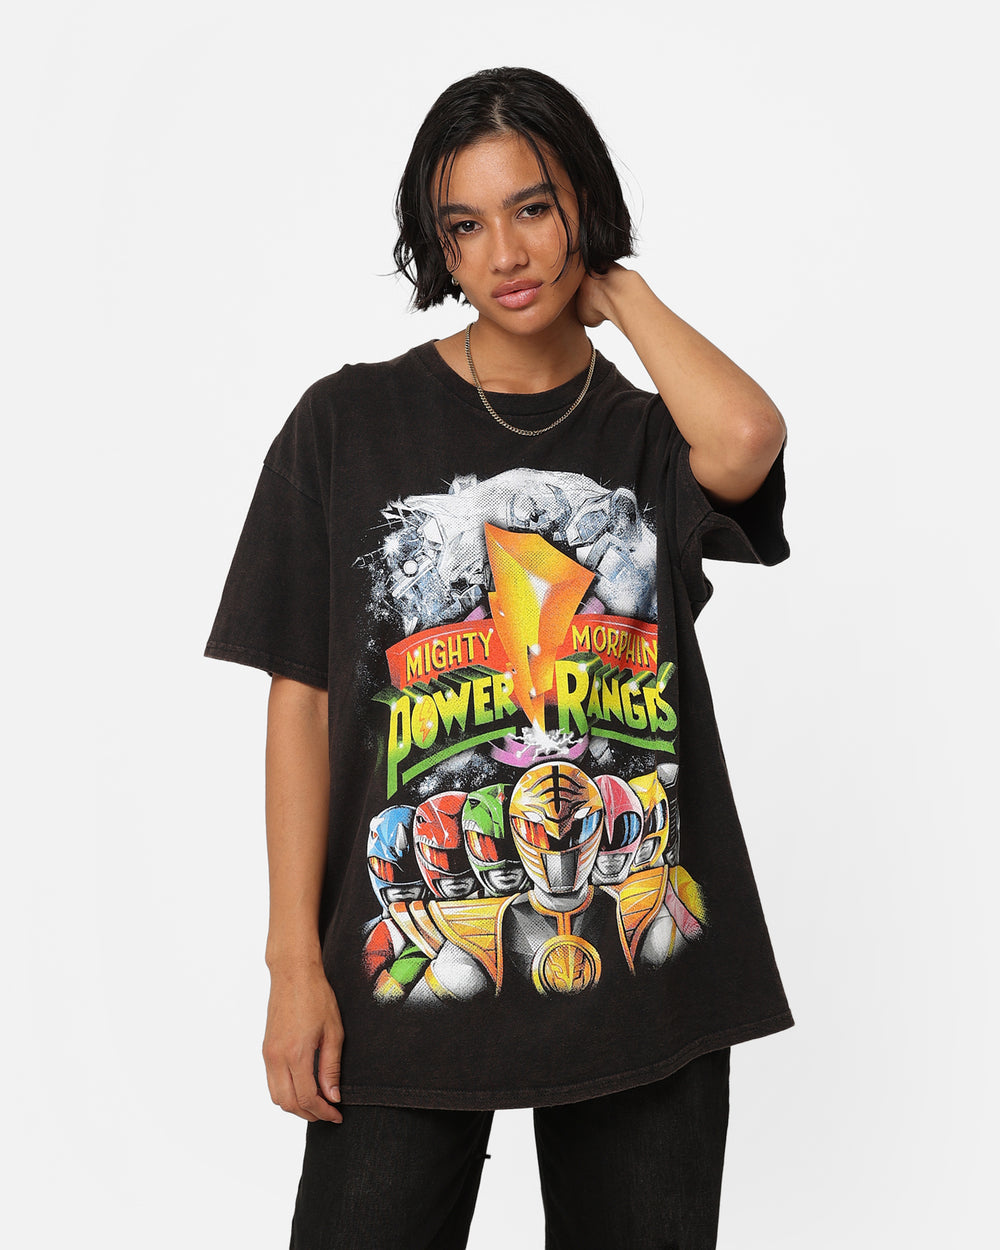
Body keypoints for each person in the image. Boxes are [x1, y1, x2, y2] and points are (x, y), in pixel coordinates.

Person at [206, 66, 793, 1250]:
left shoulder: (648, 435)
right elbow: (300, 703)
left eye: (534, 208)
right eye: (464, 225)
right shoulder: (345, 423)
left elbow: (745, 440)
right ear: (438, 246)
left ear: (584, 206)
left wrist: (619, 289)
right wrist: (290, 962)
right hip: (411, 949)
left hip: (642, 961)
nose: (505, 253)